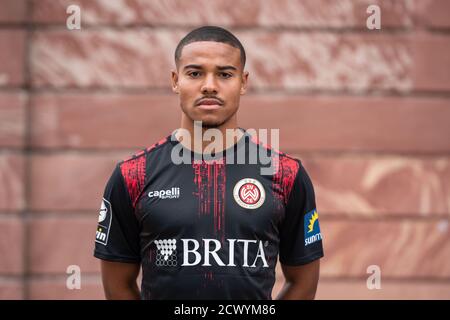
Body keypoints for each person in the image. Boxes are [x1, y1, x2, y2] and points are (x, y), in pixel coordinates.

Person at [93, 26, 324, 300]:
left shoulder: (286, 174)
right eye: (195, 73)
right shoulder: (133, 175)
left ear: (244, 82)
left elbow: (303, 283)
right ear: (175, 80)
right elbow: (117, 285)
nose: (209, 85)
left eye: (225, 74)